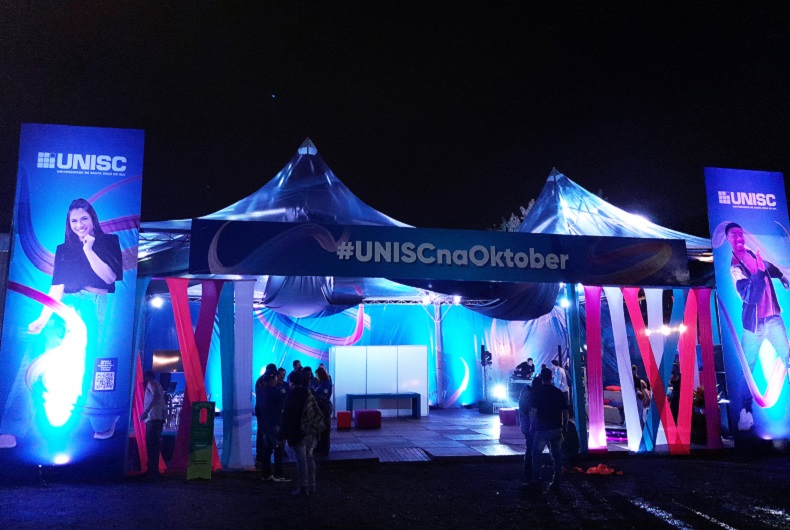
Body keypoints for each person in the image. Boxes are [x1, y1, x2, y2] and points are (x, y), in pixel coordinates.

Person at [0, 199, 123, 449]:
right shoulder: (63, 249)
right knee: (36, 357)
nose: (79, 225)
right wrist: (42, 318)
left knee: (93, 361)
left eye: (84, 219)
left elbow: (109, 277)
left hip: (94, 303)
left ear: (93, 218)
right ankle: (13, 426)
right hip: (65, 304)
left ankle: (102, 420)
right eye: (74, 221)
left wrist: (89, 249)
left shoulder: (108, 241)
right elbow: (56, 288)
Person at [725, 222, 790, 430]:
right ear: (728, 239)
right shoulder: (735, 268)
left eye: (740, 234)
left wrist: (781, 276)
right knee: (748, 369)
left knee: (788, 359)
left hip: (774, 319)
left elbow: (768, 268)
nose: (739, 238)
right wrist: (760, 273)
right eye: (733, 235)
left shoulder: (753, 254)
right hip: (754, 327)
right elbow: (750, 297)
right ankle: (746, 412)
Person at [527, 367, 569, 494]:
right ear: (551, 378)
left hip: (541, 429)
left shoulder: (537, 392)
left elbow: (533, 412)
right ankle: (556, 481)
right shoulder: (558, 392)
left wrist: (531, 426)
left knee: (536, 454)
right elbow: (565, 412)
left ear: (541, 378)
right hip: (556, 428)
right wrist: (564, 426)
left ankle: (535, 479)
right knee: (557, 456)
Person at [281, 371, 317, 496]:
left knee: (301, 460)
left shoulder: (292, 395)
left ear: (291, 382)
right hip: (310, 431)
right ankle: (312, 485)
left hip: (298, 432)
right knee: (310, 458)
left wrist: (283, 434)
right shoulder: (309, 392)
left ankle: (303, 487)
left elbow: (288, 416)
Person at [255, 372, 290, 482]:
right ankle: (279, 473)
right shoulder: (277, 391)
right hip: (275, 423)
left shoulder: (260, 391)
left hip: (264, 423)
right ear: (272, 380)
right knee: (279, 449)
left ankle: (266, 473)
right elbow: (283, 404)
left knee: (266, 450)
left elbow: (258, 408)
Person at [140, 371, 167, 478]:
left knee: (151, 444)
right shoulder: (158, 384)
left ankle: (152, 472)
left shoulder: (151, 383)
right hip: (158, 417)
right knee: (154, 445)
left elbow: (156, 396)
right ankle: (153, 470)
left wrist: (146, 412)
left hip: (153, 417)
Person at [518, 375, 542, 487]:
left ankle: (530, 474)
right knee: (531, 450)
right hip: (530, 427)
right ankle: (529, 474)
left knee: (531, 449)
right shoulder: (529, 396)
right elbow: (532, 412)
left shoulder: (526, 392)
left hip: (527, 426)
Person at [313, 367, 333, 456]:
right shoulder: (323, 383)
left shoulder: (326, 384)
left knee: (324, 429)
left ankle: (324, 448)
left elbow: (324, 396)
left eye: (317, 375)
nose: (316, 377)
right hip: (323, 408)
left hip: (324, 408)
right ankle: (321, 447)